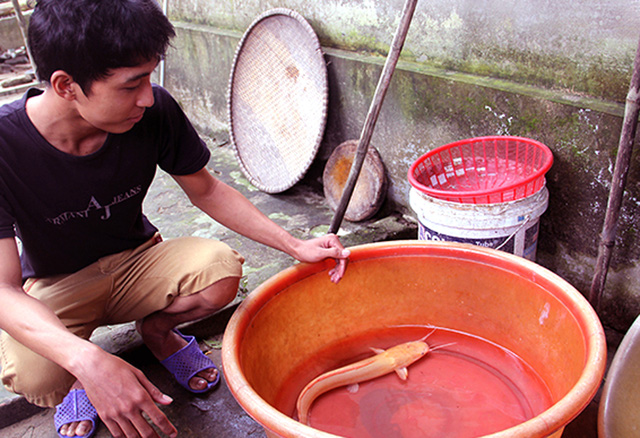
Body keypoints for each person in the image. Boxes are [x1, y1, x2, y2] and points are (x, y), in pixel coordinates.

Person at [0, 1, 350, 437]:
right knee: (36, 373)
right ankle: (84, 378)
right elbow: (3, 288)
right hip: (58, 283)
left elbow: (207, 189)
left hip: (137, 261)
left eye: (149, 77)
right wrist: (85, 360)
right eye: (132, 85)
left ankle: (160, 332)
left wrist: (295, 245)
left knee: (220, 270)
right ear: (66, 85)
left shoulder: (153, 113)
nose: (147, 97)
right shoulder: (4, 145)